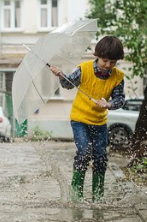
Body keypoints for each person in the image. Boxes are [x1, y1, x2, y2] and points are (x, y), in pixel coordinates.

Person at [50, 36, 125, 203]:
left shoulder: (118, 77)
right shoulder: (84, 69)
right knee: (84, 153)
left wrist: (109, 104)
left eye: (113, 62)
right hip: (80, 120)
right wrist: (61, 75)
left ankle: (98, 197)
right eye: (105, 60)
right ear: (97, 56)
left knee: (100, 157)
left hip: (100, 122)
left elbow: (120, 100)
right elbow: (68, 84)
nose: (108, 65)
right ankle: (77, 196)